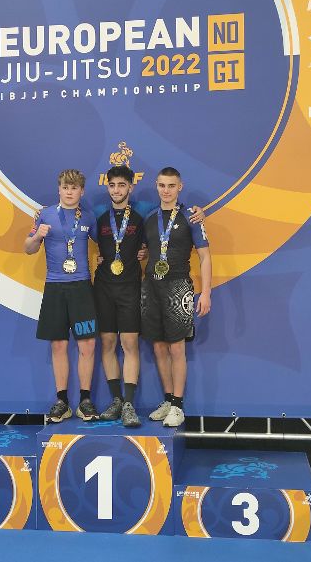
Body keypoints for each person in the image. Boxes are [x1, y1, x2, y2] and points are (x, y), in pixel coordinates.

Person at [94, 164, 206, 427]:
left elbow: (175, 226)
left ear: (131, 188)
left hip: (157, 287)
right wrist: (42, 214)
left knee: (162, 347)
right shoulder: (101, 216)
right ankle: (131, 400)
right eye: (162, 186)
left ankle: (159, 404)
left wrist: (201, 212)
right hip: (126, 288)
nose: (166, 190)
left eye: (122, 185)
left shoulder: (149, 213)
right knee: (139, 346)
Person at [24, 169, 99, 423]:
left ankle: (85, 400)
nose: (69, 192)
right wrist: (38, 235)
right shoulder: (45, 215)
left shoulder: (88, 216)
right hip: (55, 288)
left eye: (74, 188)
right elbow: (28, 249)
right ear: (59, 189)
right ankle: (62, 401)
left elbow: (107, 244)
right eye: (65, 187)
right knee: (58, 345)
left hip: (81, 289)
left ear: (82, 191)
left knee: (87, 345)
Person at [141, 167, 211, 427]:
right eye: (162, 185)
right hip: (151, 287)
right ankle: (169, 400)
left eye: (171, 186)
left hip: (179, 287)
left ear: (180, 187)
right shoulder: (149, 218)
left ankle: (178, 406)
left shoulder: (192, 217)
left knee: (177, 347)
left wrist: (206, 292)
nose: (166, 190)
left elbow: (205, 257)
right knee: (159, 347)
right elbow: (144, 250)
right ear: (156, 186)